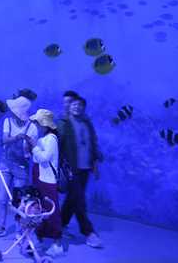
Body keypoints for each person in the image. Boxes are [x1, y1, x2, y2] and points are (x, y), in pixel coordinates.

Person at [58, 97, 103, 249]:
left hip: (85, 169)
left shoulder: (87, 123)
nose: (77, 107)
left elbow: (93, 143)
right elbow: (57, 144)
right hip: (71, 170)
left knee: (73, 199)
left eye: (80, 105)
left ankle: (60, 225)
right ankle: (88, 232)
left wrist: (95, 163)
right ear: (69, 106)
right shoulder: (64, 123)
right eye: (74, 104)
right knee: (79, 201)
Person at [0, 96, 38, 238]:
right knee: (2, 198)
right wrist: (17, 137)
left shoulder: (32, 127)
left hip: (21, 167)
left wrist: (28, 142)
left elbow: (32, 151)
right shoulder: (8, 122)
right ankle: (0, 227)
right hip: (5, 163)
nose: (13, 113)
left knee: (19, 201)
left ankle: (19, 230)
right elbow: (4, 140)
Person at [24, 109, 64, 257]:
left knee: (52, 212)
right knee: (42, 211)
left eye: (37, 122)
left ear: (44, 124)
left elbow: (44, 158)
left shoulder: (52, 139)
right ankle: (40, 239)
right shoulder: (43, 139)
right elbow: (36, 159)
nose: (36, 125)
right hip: (42, 180)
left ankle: (57, 244)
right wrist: (32, 146)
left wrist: (34, 146)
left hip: (49, 181)